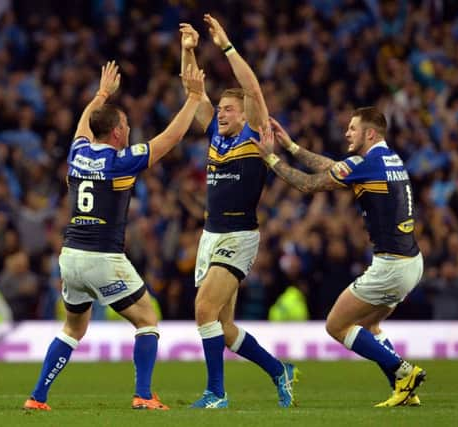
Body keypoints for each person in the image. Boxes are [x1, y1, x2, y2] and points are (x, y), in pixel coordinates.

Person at [23, 60, 206, 411]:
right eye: (125, 123)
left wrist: (101, 94)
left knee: (73, 328)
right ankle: (144, 395)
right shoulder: (121, 161)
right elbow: (170, 139)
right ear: (118, 132)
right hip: (103, 256)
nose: (128, 127)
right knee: (147, 320)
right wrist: (193, 99)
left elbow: (82, 126)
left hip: (70, 255)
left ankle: (38, 397)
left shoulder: (77, 154)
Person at [252, 107, 426, 407]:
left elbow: (307, 184)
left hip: (391, 266)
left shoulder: (369, 163)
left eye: (353, 128)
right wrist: (292, 147)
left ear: (370, 134)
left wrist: (270, 157)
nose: (347, 133)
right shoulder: (386, 159)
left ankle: (403, 371)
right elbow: (333, 168)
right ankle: (405, 390)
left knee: (336, 325)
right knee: (369, 327)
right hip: (411, 261)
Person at [179, 15, 297, 409]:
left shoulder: (254, 134)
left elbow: (253, 89)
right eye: (223, 109)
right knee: (224, 327)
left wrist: (225, 46)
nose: (224, 113)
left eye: (230, 108)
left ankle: (216, 394)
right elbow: (192, 90)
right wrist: (188, 50)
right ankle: (278, 370)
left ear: (245, 115)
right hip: (210, 235)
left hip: (239, 235)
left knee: (203, 310)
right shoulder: (215, 133)